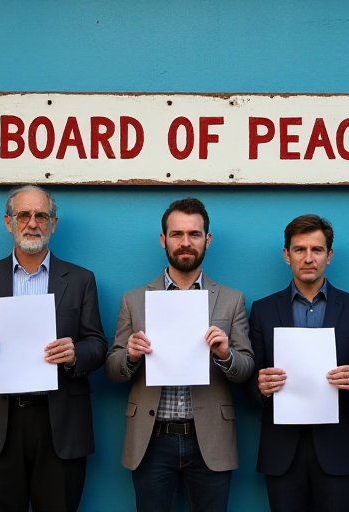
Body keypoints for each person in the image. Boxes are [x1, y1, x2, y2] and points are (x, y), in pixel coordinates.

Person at [0, 185, 107, 512]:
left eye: (41, 216)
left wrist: (76, 354)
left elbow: (97, 344)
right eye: (23, 215)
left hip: (60, 424)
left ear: (54, 223)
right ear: (9, 223)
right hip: (0, 423)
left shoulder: (81, 280)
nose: (32, 223)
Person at [107, 197, 253, 512]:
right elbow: (112, 369)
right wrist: (130, 356)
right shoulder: (134, 300)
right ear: (164, 240)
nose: (185, 243)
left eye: (194, 234)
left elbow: (246, 369)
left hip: (210, 437)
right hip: (152, 438)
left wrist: (226, 354)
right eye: (176, 234)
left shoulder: (231, 300)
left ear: (207, 240)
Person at [246, 214, 349, 512]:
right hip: (282, 450)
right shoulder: (263, 310)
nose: (308, 258)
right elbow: (248, 384)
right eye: (299, 249)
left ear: (329, 256)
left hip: (338, 448)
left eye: (316, 250)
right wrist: (260, 387)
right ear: (286, 255)